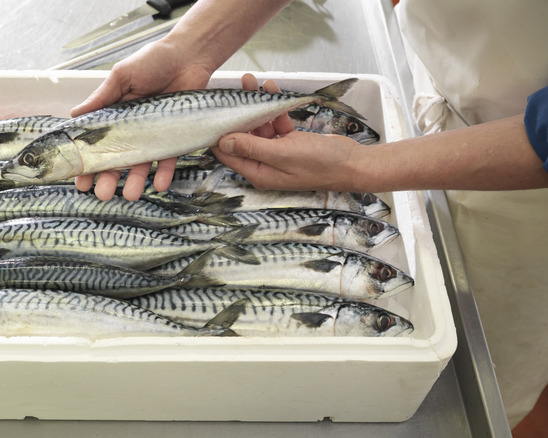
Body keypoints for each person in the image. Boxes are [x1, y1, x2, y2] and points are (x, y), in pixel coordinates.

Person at [71, 0, 548, 428]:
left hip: (523, 179)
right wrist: (190, 46)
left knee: (486, 370)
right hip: (432, 78)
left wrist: (362, 166)